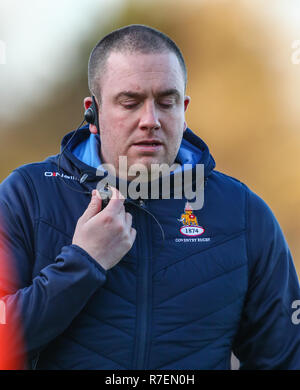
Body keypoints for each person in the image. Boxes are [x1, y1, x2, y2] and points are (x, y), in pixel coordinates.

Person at [0, 24, 299, 370]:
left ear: (183, 110)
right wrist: (83, 262)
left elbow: (284, 358)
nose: (151, 120)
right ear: (93, 114)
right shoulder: (27, 196)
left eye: (166, 102)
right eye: (130, 102)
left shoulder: (243, 212)